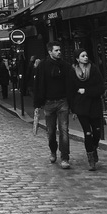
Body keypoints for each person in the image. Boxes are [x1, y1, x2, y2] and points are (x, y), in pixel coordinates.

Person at [33, 41, 74, 169]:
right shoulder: (43, 66)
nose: (59, 52)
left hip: (63, 102)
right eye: (56, 50)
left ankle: (65, 157)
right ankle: (53, 151)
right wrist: (37, 104)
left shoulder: (65, 66)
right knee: (50, 132)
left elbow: (70, 84)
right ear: (50, 51)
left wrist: (72, 103)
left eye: (59, 50)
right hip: (48, 103)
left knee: (64, 131)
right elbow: (38, 85)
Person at [70, 50, 105, 172]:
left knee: (97, 132)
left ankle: (94, 148)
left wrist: (87, 91)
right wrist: (73, 108)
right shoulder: (73, 71)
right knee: (87, 133)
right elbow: (71, 90)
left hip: (94, 105)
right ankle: (91, 159)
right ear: (77, 59)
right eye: (82, 56)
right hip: (81, 106)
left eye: (86, 55)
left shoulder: (93, 69)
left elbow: (101, 87)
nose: (85, 58)